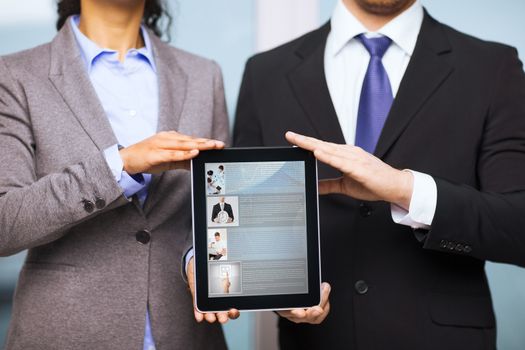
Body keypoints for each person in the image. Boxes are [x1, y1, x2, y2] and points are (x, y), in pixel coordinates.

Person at [233, 0, 525, 348]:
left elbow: (518, 226)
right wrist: (279, 294)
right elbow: (246, 228)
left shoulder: (491, 67)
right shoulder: (265, 72)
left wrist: (406, 190)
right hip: (314, 340)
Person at [0, 0, 239, 349]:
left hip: (186, 332)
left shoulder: (204, 75)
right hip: (66, 330)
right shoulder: (16, 75)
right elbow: (6, 222)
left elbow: (218, 210)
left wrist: (198, 259)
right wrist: (122, 165)